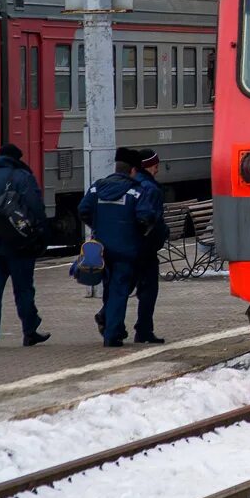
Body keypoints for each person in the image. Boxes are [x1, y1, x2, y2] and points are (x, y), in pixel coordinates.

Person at [0, 144, 49, 349]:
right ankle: (29, 331)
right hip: (18, 244)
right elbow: (36, 208)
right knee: (23, 289)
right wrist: (40, 234)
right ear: (17, 159)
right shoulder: (22, 177)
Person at [79, 148, 149, 348]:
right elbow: (145, 217)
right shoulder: (136, 191)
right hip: (126, 250)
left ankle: (110, 324)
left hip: (101, 249)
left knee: (110, 289)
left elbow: (83, 210)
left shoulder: (97, 188)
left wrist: (98, 226)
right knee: (119, 290)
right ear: (133, 170)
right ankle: (112, 334)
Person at [131, 148, 167, 344]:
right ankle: (144, 330)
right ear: (150, 166)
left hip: (126, 246)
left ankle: (106, 318)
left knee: (123, 286)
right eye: (156, 166)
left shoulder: (129, 184)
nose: (157, 170)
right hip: (145, 248)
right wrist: (162, 236)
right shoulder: (151, 189)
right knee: (148, 290)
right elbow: (154, 221)